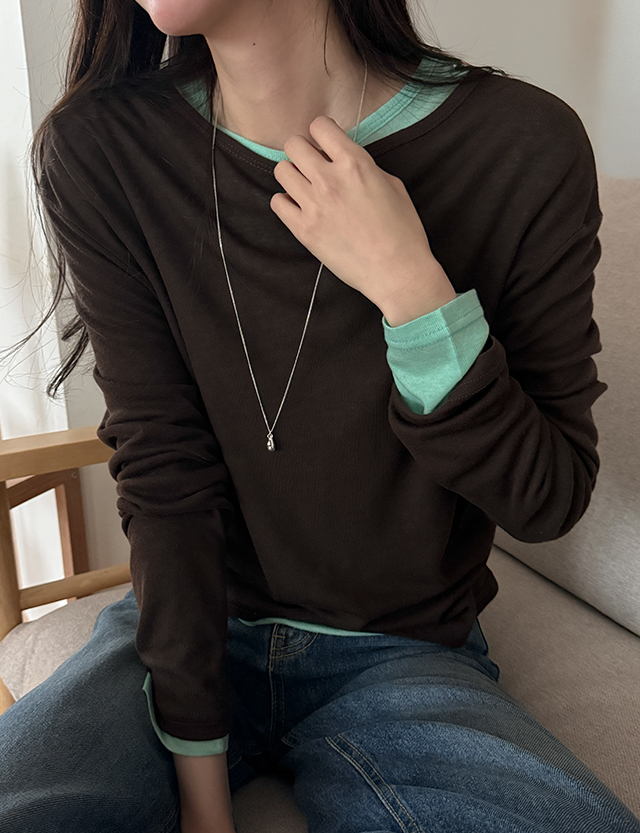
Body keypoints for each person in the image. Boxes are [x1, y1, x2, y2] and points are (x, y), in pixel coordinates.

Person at [1, 1, 639, 831]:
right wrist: (203, 798)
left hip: (404, 650)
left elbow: (546, 498)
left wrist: (413, 291)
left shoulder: (523, 145)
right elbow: (164, 470)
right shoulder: (103, 147)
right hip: (189, 623)